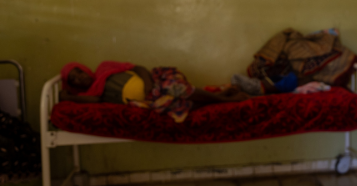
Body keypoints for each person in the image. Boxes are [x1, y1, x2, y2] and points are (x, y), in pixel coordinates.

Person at [60, 61, 250, 122]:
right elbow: (94, 102)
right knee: (176, 106)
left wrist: (149, 84)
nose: (80, 78)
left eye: (79, 72)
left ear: (83, 68)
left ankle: (224, 100)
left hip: (154, 82)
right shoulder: (88, 95)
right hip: (148, 100)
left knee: (174, 88)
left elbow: (138, 67)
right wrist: (69, 97)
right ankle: (223, 96)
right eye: (74, 80)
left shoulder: (104, 68)